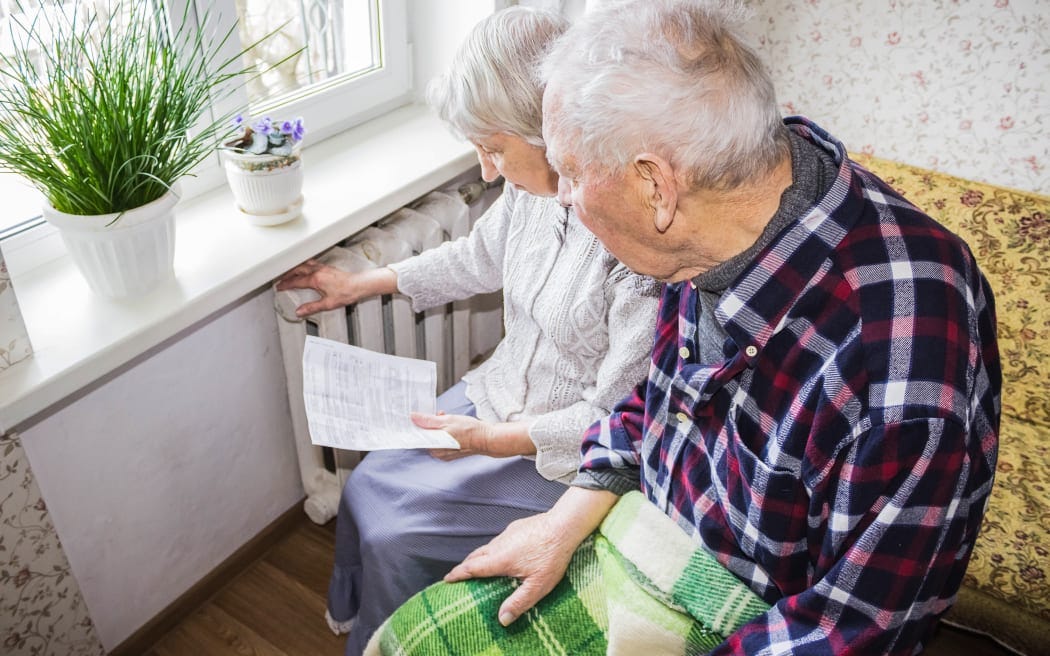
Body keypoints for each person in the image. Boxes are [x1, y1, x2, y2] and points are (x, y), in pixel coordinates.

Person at [369, 1, 1001, 654]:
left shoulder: (901, 362)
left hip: (745, 617)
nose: (561, 197)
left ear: (655, 186)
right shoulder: (715, 220)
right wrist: (564, 521)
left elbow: (854, 634)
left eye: (573, 174)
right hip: (643, 529)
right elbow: (654, 400)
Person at [276, 7, 661, 654]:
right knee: (365, 483)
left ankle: (393, 640)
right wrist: (361, 283)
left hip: (563, 453)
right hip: (497, 394)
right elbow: (477, 257)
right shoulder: (529, 194)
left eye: (494, 149)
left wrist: (489, 440)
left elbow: (617, 419)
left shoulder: (636, 248)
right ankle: (358, 607)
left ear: (550, 130)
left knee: (399, 535)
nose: (485, 171)